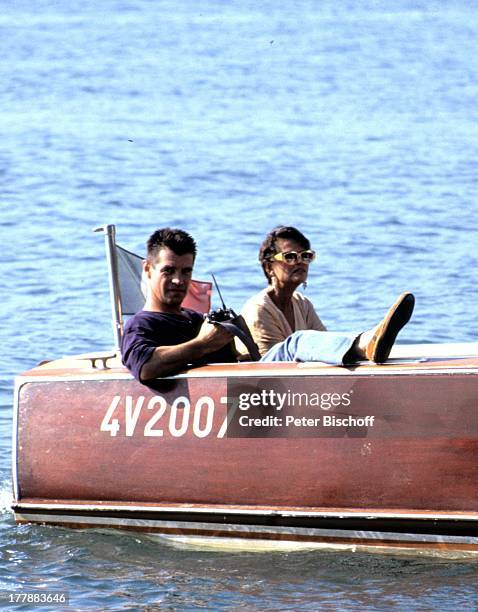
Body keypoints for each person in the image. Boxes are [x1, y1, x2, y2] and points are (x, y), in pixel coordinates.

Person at [238, 225, 414, 365]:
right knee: (298, 341)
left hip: (290, 374)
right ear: (269, 267)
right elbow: (271, 368)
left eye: (305, 256)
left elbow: (322, 344)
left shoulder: (302, 303)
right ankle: (367, 342)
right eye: (290, 257)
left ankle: (368, 344)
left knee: (317, 341)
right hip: (263, 383)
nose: (300, 262)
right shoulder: (259, 308)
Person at [121, 228, 235, 381]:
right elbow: (144, 366)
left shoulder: (199, 321)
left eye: (186, 272)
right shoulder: (140, 326)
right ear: (148, 269)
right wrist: (202, 344)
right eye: (168, 271)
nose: (178, 280)